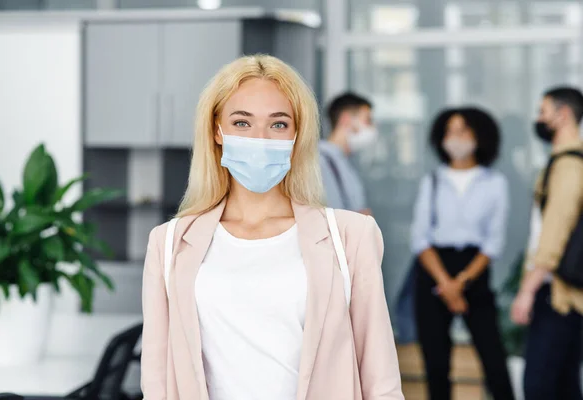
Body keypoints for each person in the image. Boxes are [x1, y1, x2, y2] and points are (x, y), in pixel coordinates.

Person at [140, 55, 404, 400]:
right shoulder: (169, 243)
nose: (260, 138)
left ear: (298, 134)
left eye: (278, 124)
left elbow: (381, 381)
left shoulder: (350, 237)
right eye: (242, 123)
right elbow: (157, 384)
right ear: (217, 131)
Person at [411, 107, 514, 400]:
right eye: (449, 132)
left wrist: (461, 283)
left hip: (474, 269)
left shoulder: (494, 183)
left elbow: (494, 242)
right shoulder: (432, 180)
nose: (455, 138)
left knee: (493, 357)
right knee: (436, 362)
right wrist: (445, 283)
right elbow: (420, 238)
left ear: (479, 136)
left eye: (463, 131)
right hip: (433, 269)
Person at [511, 86, 583, 400]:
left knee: (540, 386)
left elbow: (553, 233)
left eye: (543, 111)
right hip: (565, 292)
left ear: (563, 114)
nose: (539, 119)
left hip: (558, 295)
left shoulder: (568, 166)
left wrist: (527, 291)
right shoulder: (565, 162)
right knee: (564, 384)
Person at [319, 92, 375, 214]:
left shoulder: (343, 162)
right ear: (345, 119)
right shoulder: (320, 162)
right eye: (368, 120)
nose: (372, 128)